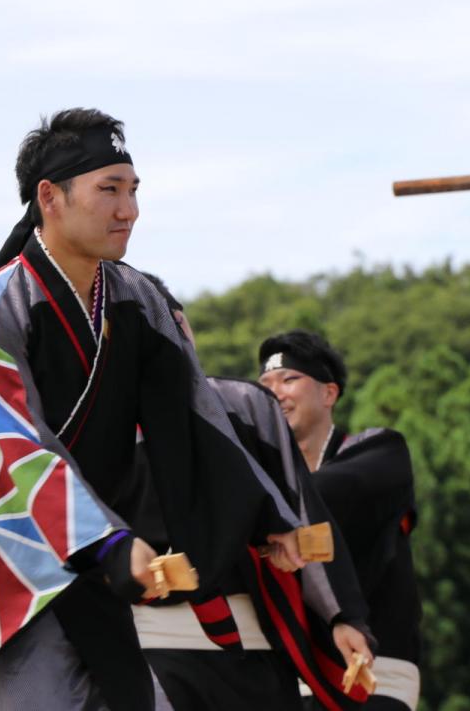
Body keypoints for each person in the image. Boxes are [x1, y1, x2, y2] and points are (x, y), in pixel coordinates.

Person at [0, 109, 305, 710]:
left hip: (81, 553)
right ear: (51, 197)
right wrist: (108, 545)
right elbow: (14, 445)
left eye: (133, 190)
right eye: (109, 190)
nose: (129, 210)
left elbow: (194, 411)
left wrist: (262, 515)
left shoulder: (135, 297)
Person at [135, 275, 376, 711]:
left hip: (247, 641)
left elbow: (306, 521)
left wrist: (342, 615)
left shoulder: (246, 405)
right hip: (148, 643)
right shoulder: (95, 425)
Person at [258, 330, 422, 711]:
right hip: (289, 674)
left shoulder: (381, 451)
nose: (274, 393)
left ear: (329, 394)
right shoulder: (264, 479)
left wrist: (261, 512)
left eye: (289, 379)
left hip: (376, 669)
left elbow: (332, 493)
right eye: (264, 385)